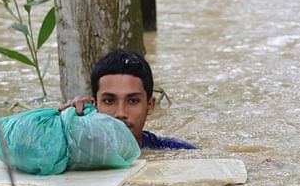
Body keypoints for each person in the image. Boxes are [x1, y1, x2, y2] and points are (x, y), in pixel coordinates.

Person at [58, 50, 197, 150]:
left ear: (150, 105)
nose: (120, 113)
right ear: (95, 105)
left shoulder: (176, 151)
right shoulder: (75, 148)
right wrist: (58, 129)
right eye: (109, 101)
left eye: (133, 101)